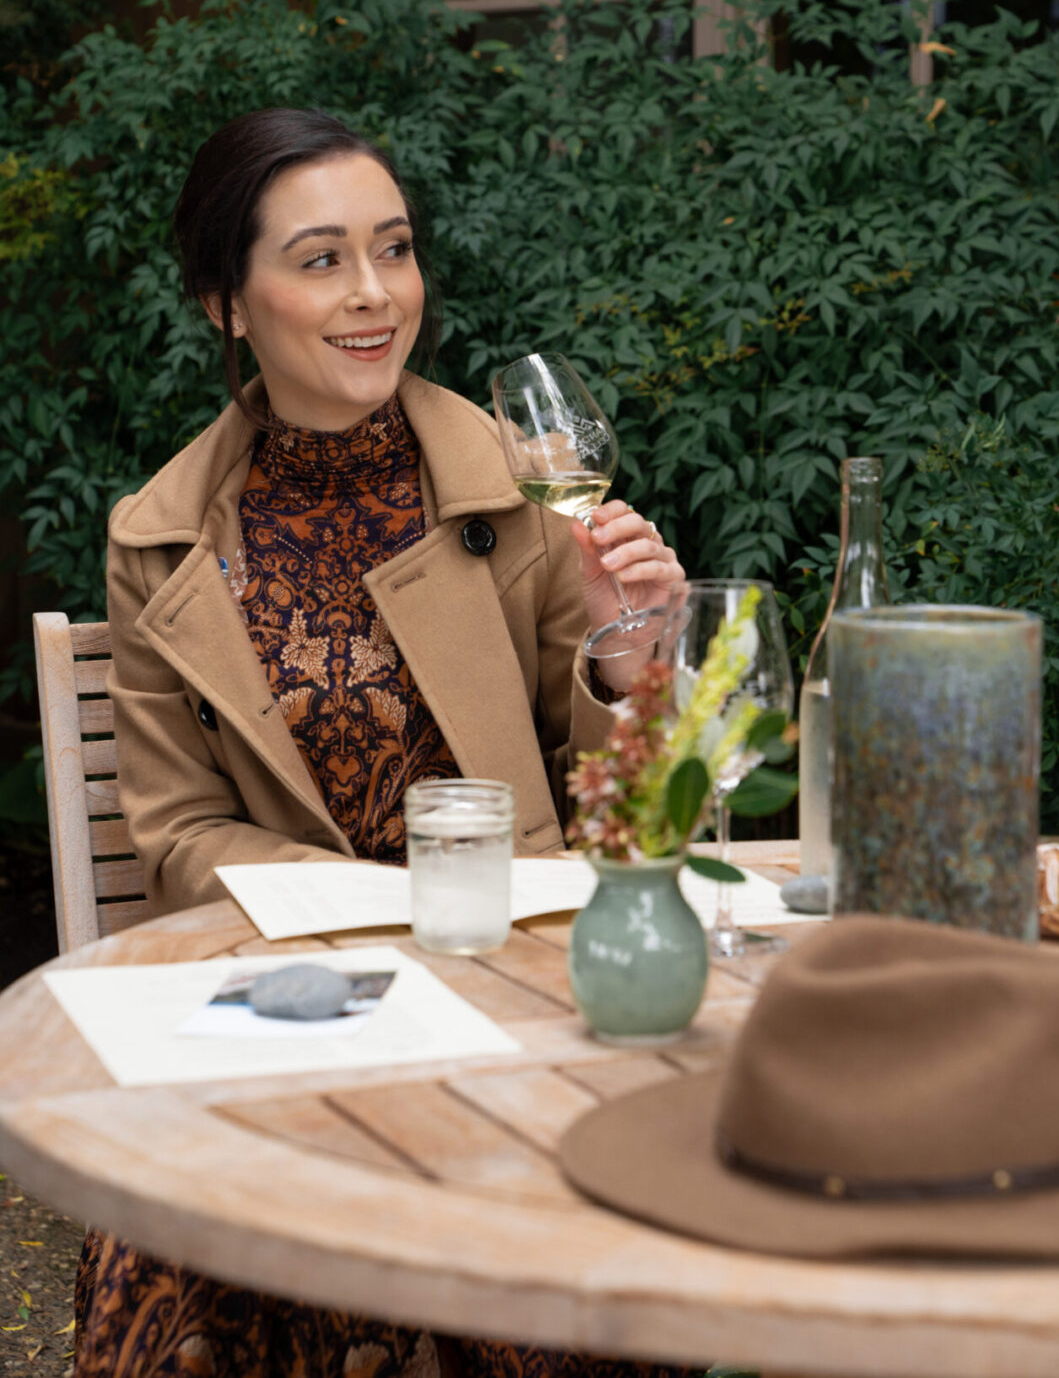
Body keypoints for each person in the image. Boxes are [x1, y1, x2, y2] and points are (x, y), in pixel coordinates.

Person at [74, 107, 685, 1377]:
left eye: (394, 250)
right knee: (164, 1243)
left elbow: (631, 805)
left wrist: (632, 668)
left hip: (517, 990)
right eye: (320, 259)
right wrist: (379, 910)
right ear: (225, 303)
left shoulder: (522, 484)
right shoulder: (159, 540)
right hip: (302, 1003)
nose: (374, 295)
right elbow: (177, 833)